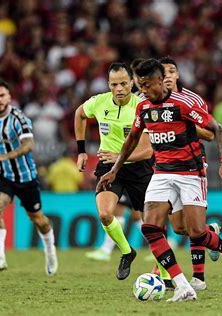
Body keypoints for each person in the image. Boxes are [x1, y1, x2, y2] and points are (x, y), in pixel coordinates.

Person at [97, 59, 222, 302]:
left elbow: (217, 129)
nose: (141, 90)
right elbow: (132, 139)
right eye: (139, 85)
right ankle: (182, 285)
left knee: (195, 232)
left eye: (145, 85)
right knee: (151, 228)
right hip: (162, 173)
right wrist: (115, 169)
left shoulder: (183, 104)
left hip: (190, 173)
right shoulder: (142, 106)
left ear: (158, 81)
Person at [74, 62, 154, 280]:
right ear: (108, 84)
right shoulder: (99, 102)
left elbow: (147, 151)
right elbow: (79, 114)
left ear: (131, 83)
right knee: (105, 213)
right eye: (114, 84)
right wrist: (81, 151)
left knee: (153, 225)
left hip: (139, 168)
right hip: (108, 166)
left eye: (123, 83)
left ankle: (166, 274)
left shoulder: (142, 107)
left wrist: (119, 157)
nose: (119, 89)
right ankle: (127, 252)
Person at [0, 79, 58, 275]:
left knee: (38, 220)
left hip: (26, 177)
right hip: (3, 176)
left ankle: (50, 249)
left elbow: (29, 145)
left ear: (9, 97)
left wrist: (4, 156)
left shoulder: (19, 119)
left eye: (1, 95)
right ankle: (0, 257)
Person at [159, 56, 220, 291]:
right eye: (162, 72)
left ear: (177, 75)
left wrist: (182, 121)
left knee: (192, 225)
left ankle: (199, 279)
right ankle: (211, 233)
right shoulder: (148, 101)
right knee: (179, 228)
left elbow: (210, 133)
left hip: (193, 163)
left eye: (171, 71)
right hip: (165, 165)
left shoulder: (192, 99)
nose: (167, 75)